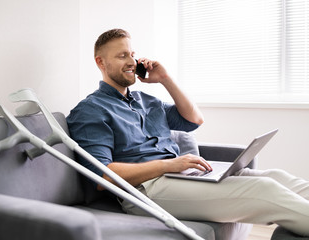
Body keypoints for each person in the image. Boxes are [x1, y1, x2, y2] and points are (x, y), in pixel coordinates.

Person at [67, 28, 309, 237]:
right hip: (146, 190)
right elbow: (102, 176)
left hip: (179, 178)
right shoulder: (91, 110)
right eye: (122, 56)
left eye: (132, 54)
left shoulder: (146, 100)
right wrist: (169, 165)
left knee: (277, 177)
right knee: (265, 191)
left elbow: (194, 119)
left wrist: (165, 79)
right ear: (100, 62)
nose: (131, 61)